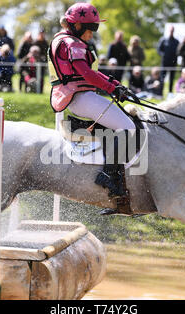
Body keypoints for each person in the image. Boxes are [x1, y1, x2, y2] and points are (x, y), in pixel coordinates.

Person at [48, 3, 138, 206]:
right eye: (92, 27)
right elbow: (86, 74)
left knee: (120, 125)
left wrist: (117, 85)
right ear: (77, 25)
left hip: (81, 97)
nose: (93, 33)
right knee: (128, 127)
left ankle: (88, 138)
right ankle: (108, 176)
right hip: (81, 98)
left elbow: (93, 73)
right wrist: (111, 89)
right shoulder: (71, 44)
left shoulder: (69, 41)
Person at [157, 25, 179, 93]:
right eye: (170, 30)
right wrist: (163, 55)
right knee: (162, 78)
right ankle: (160, 93)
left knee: (171, 79)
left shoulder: (176, 41)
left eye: (172, 30)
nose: (171, 32)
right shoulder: (163, 40)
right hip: (165, 62)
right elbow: (159, 50)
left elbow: (178, 51)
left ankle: (170, 93)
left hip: (173, 62)